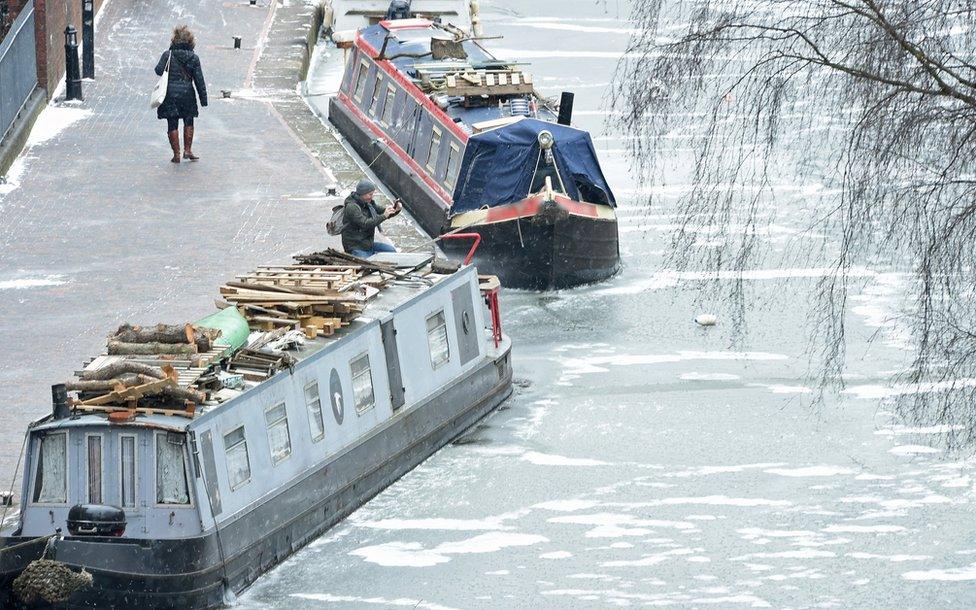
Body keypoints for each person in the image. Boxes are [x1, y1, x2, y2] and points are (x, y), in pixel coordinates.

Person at [155, 25, 207, 163]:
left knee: (172, 122)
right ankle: (188, 150)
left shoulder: (168, 55)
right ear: (190, 41)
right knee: (188, 120)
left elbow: (158, 71)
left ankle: (176, 154)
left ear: (174, 40)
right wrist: (203, 99)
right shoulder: (194, 58)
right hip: (187, 94)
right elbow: (199, 80)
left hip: (170, 94)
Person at [342, 180, 401, 258]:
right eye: (370, 194)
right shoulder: (352, 207)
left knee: (392, 251)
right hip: (356, 246)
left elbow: (382, 211)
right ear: (363, 194)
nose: (372, 196)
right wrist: (384, 216)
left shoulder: (368, 203)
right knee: (367, 265)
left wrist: (396, 209)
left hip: (368, 244)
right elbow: (365, 224)